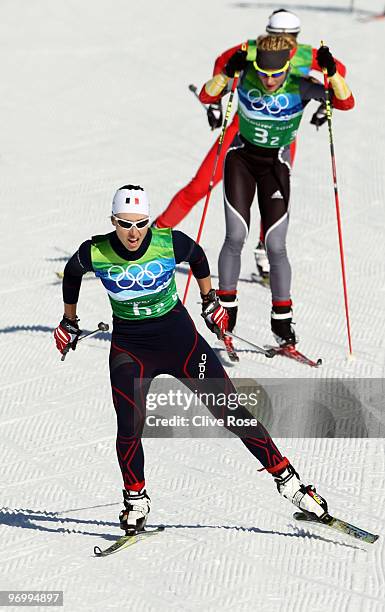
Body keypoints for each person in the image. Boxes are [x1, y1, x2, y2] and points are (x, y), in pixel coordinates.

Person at [54, 184, 329, 534]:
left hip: (181, 343)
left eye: (141, 223)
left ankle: (290, 483)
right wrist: (69, 320)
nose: (134, 232)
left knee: (231, 412)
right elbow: (72, 273)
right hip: (131, 349)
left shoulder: (168, 242)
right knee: (129, 427)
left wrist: (209, 300)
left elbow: (197, 256)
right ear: (113, 221)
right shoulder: (96, 251)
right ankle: (135, 501)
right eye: (125, 224)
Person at [153, 9, 347, 281]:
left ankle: (264, 251)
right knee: (200, 185)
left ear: (295, 36)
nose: (283, 42)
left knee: (274, 197)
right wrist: (217, 103)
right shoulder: (252, 49)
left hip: (281, 136)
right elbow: (223, 62)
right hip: (241, 133)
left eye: (288, 37)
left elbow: (339, 72)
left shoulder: (307, 54)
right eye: (276, 35)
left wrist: (325, 103)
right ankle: (154, 239)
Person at [198, 35, 354, 348]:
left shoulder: (299, 85)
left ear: (286, 68)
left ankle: (282, 323)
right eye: (265, 74)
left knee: (276, 245)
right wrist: (227, 74)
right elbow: (207, 95)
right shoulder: (246, 77)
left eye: (276, 74)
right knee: (235, 237)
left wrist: (333, 72)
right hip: (240, 160)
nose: (270, 81)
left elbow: (344, 103)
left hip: (275, 166)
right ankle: (226, 314)